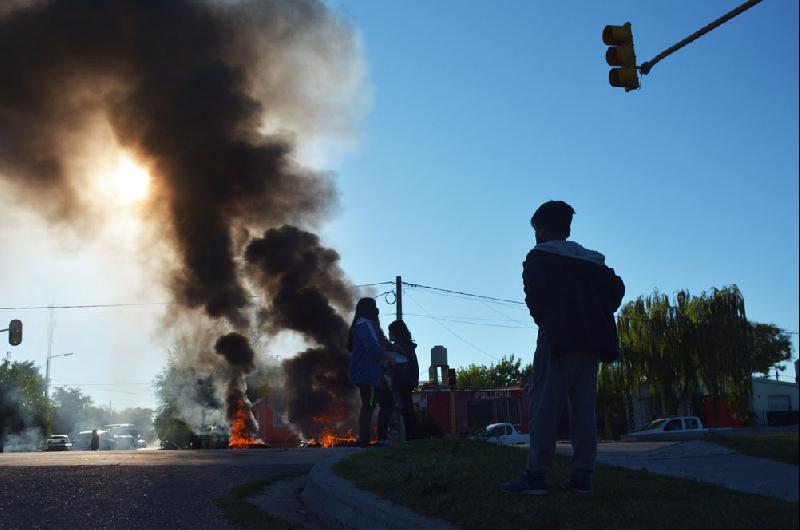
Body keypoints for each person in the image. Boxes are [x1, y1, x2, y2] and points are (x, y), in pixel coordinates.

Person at [503, 200, 624, 495]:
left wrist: (551, 318)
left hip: (557, 339)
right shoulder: (592, 261)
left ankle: (536, 476)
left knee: (545, 407)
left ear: (541, 228)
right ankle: (582, 476)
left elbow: (536, 300)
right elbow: (617, 289)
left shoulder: (539, 258)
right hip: (592, 342)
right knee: (584, 410)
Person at [348, 297, 394, 447]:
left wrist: (393, 348)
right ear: (369, 311)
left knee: (384, 403)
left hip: (373, 373)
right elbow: (372, 348)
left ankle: (377, 438)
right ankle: (366, 441)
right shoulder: (364, 326)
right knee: (369, 405)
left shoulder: (369, 326)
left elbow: (381, 343)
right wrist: (388, 356)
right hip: (368, 374)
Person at [387, 319, 420, 441]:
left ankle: (412, 438)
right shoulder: (408, 346)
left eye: (390, 332)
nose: (389, 334)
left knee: (405, 410)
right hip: (407, 382)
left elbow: (400, 364)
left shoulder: (400, 347)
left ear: (396, 332)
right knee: (407, 410)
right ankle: (413, 438)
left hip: (402, 382)